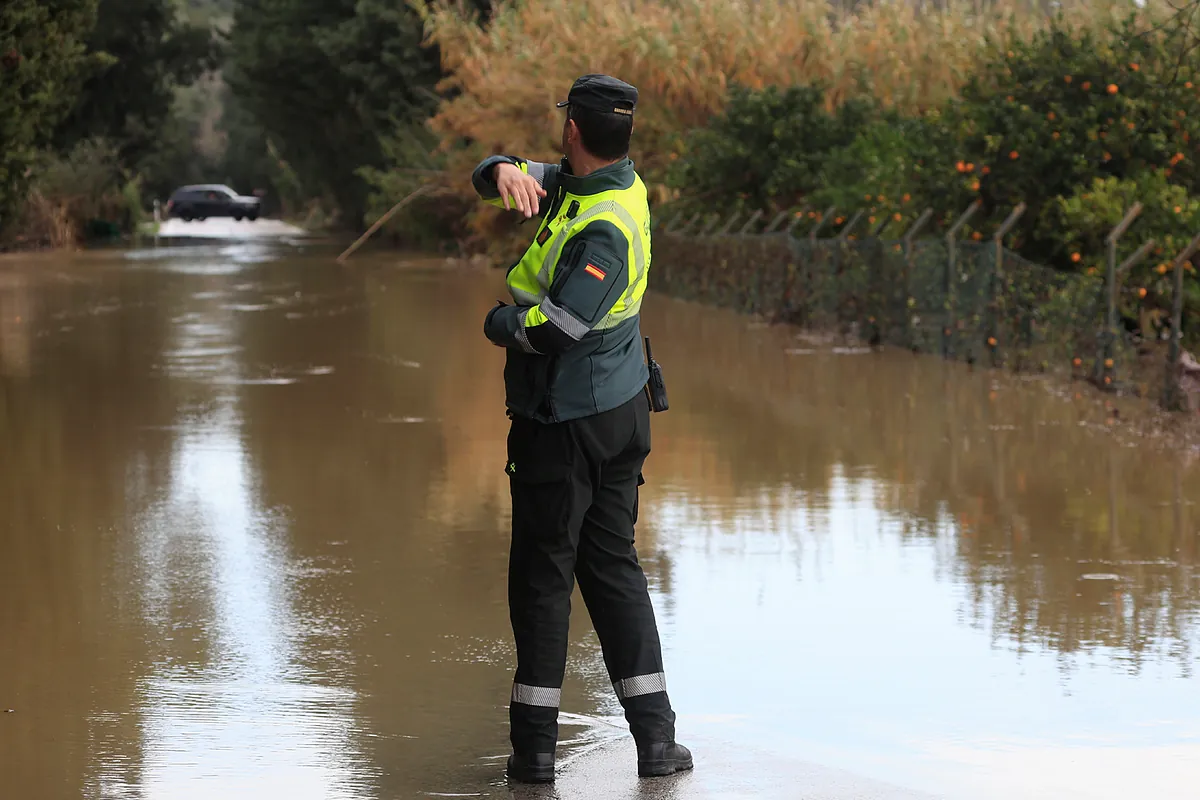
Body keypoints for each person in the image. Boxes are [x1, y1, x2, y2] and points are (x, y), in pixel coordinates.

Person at [472, 74, 692, 783]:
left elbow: (561, 326)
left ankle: (534, 757)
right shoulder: (605, 182)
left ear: (573, 130)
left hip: (564, 425)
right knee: (613, 570)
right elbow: (496, 175)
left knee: (541, 581)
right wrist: (501, 169)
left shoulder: (602, 225)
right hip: (622, 412)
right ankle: (657, 743)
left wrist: (501, 324)